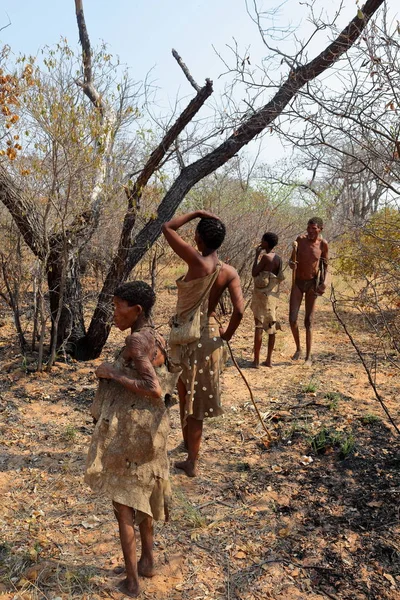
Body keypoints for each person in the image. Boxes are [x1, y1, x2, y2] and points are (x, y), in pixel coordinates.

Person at [85, 281, 178, 598]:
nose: (113, 313)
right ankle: (148, 561)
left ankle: (132, 582)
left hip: (132, 431)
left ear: (136, 310)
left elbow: (152, 387)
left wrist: (112, 373)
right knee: (143, 494)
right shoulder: (157, 336)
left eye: (117, 306)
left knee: (124, 506)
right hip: (152, 429)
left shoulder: (137, 340)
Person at [162, 211, 244, 478]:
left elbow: (167, 227)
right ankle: (189, 448)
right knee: (192, 398)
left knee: (188, 398)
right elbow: (239, 311)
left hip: (188, 337)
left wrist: (196, 212)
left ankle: (192, 462)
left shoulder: (196, 262)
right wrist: (227, 334)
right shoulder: (229, 272)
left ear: (197, 237)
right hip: (209, 337)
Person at [289, 217, 328, 364]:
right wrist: (291, 263)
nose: (310, 231)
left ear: (320, 229)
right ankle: (299, 348)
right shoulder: (299, 240)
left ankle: (308, 356)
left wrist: (323, 283)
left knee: (308, 321)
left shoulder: (323, 244)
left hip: (312, 284)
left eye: (314, 229)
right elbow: (291, 260)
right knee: (292, 319)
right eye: (309, 228)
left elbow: (325, 265)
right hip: (298, 283)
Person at [250, 232, 284, 368]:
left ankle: (256, 361)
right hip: (272, 295)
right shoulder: (278, 259)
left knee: (258, 325)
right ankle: (269, 360)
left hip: (261, 295)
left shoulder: (265, 258)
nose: (261, 242)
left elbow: (254, 272)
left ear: (266, 242)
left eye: (262, 240)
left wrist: (256, 256)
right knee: (271, 326)